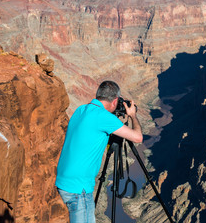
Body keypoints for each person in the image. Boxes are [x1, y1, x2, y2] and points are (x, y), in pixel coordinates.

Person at [55, 81, 143, 223]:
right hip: (79, 187)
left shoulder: (81, 109)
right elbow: (138, 137)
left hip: (64, 182)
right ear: (115, 101)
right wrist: (132, 115)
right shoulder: (104, 117)